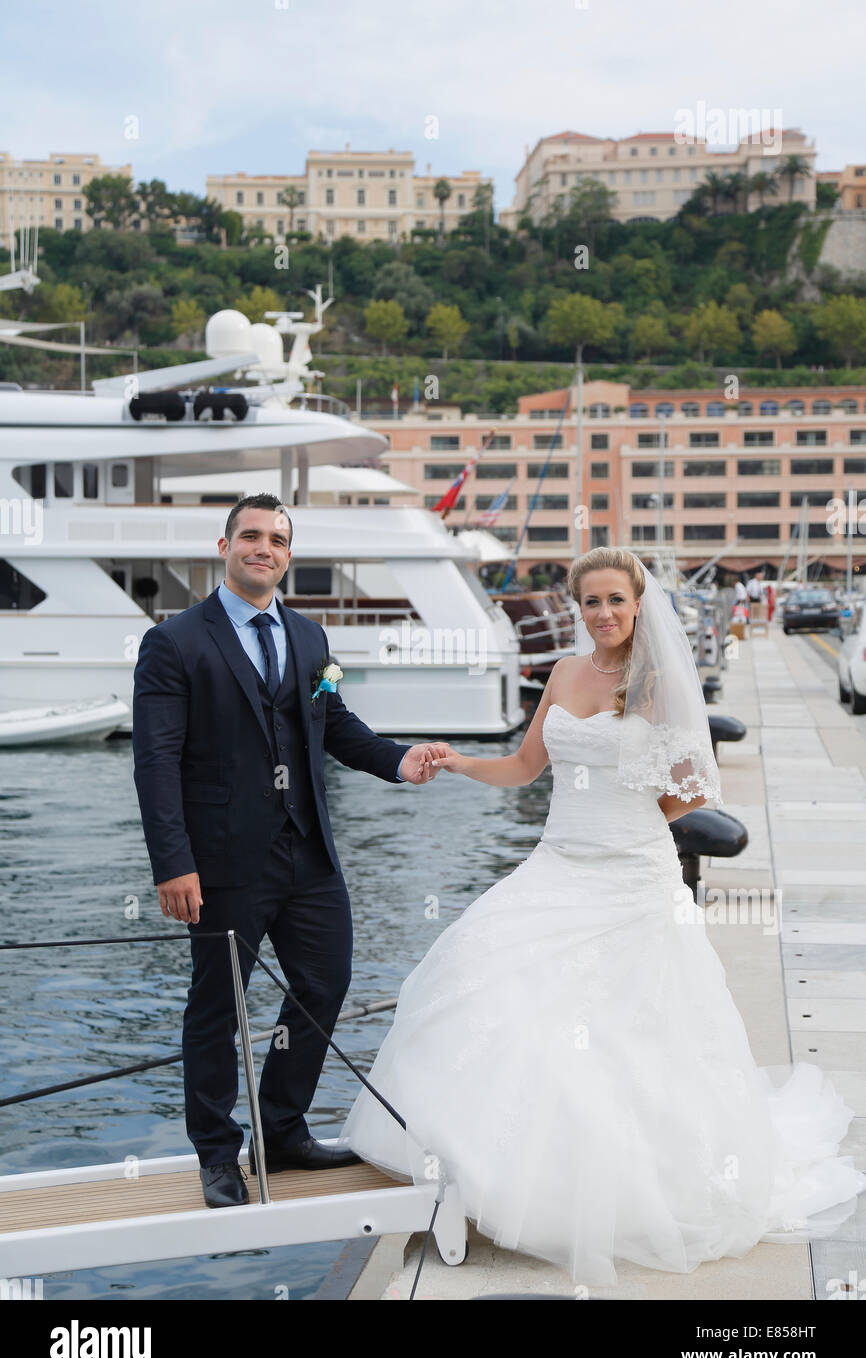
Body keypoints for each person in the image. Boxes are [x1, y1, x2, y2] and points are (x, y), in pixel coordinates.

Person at [339, 546, 865, 1285]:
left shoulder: (658, 684)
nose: (604, 614)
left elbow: (691, 791)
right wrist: (454, 762)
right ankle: (491, 1176)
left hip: (631, 878)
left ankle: (606, 1194)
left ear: (637, 603)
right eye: (591, 602)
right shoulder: (562, 672)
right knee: (481, 979)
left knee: (629, 1037)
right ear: (577, 607)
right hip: (556, 865)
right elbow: (526, 768)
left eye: (617, 600)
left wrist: (627, 819)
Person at [132, 494, 451, 1209]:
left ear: (286, 554)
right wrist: (172, 864)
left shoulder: (308, 638)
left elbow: (335, 725)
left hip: (307, 857)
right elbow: (156, 761)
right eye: (251, 535)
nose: (263, 548)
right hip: (218, 863)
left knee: (323, 986)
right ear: (224, 545)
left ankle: (281, 1128)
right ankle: (218, 1154)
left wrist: (401, 763)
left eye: (277, 539)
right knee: (219, 1009)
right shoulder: (175, 641)